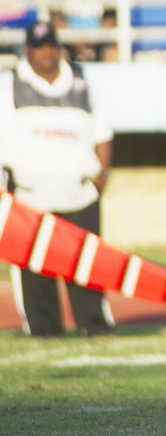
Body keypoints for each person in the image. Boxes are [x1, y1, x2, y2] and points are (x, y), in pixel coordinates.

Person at [2, 22, 115, 337]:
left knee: (88, 266)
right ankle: (42, 328)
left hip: (79, 194)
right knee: (35, 268)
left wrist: (101, 178)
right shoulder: (9, 86)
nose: (47, 52)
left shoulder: (80, 81)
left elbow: (102, 132)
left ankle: (93, 324)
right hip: (30, 196)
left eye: (51, 44)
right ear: (28, 50)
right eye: (39, 46)